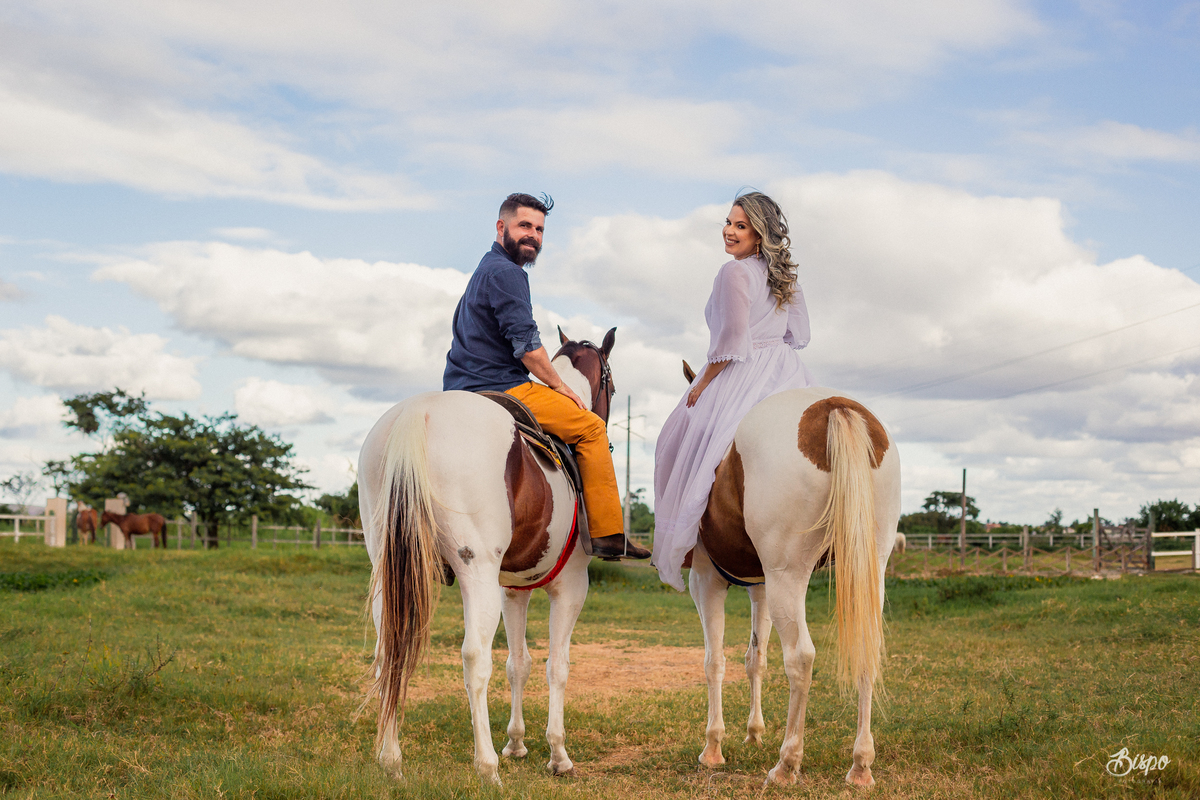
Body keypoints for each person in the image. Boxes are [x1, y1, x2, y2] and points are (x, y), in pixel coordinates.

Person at [443, 192, 650, 560]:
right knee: (591, 428)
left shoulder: (483, 271)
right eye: (524, 225)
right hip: (502, 388)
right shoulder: (509, 273)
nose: (533, 235)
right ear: (501, 227)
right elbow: (528, 348)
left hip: (458, 391)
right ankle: (608, 536)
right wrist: (560, 386)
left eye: (539, 229)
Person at [652, 191, 816, 590]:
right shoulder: (784, 276)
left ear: (759, 234)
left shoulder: (733, 273)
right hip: (786, 370)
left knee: (678, 436)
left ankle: (687, 542)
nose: (729, 231)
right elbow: (797, 333)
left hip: (743, 369)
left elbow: (732, 340)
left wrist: (703, 383)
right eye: (728, 222)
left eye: (740, 226)